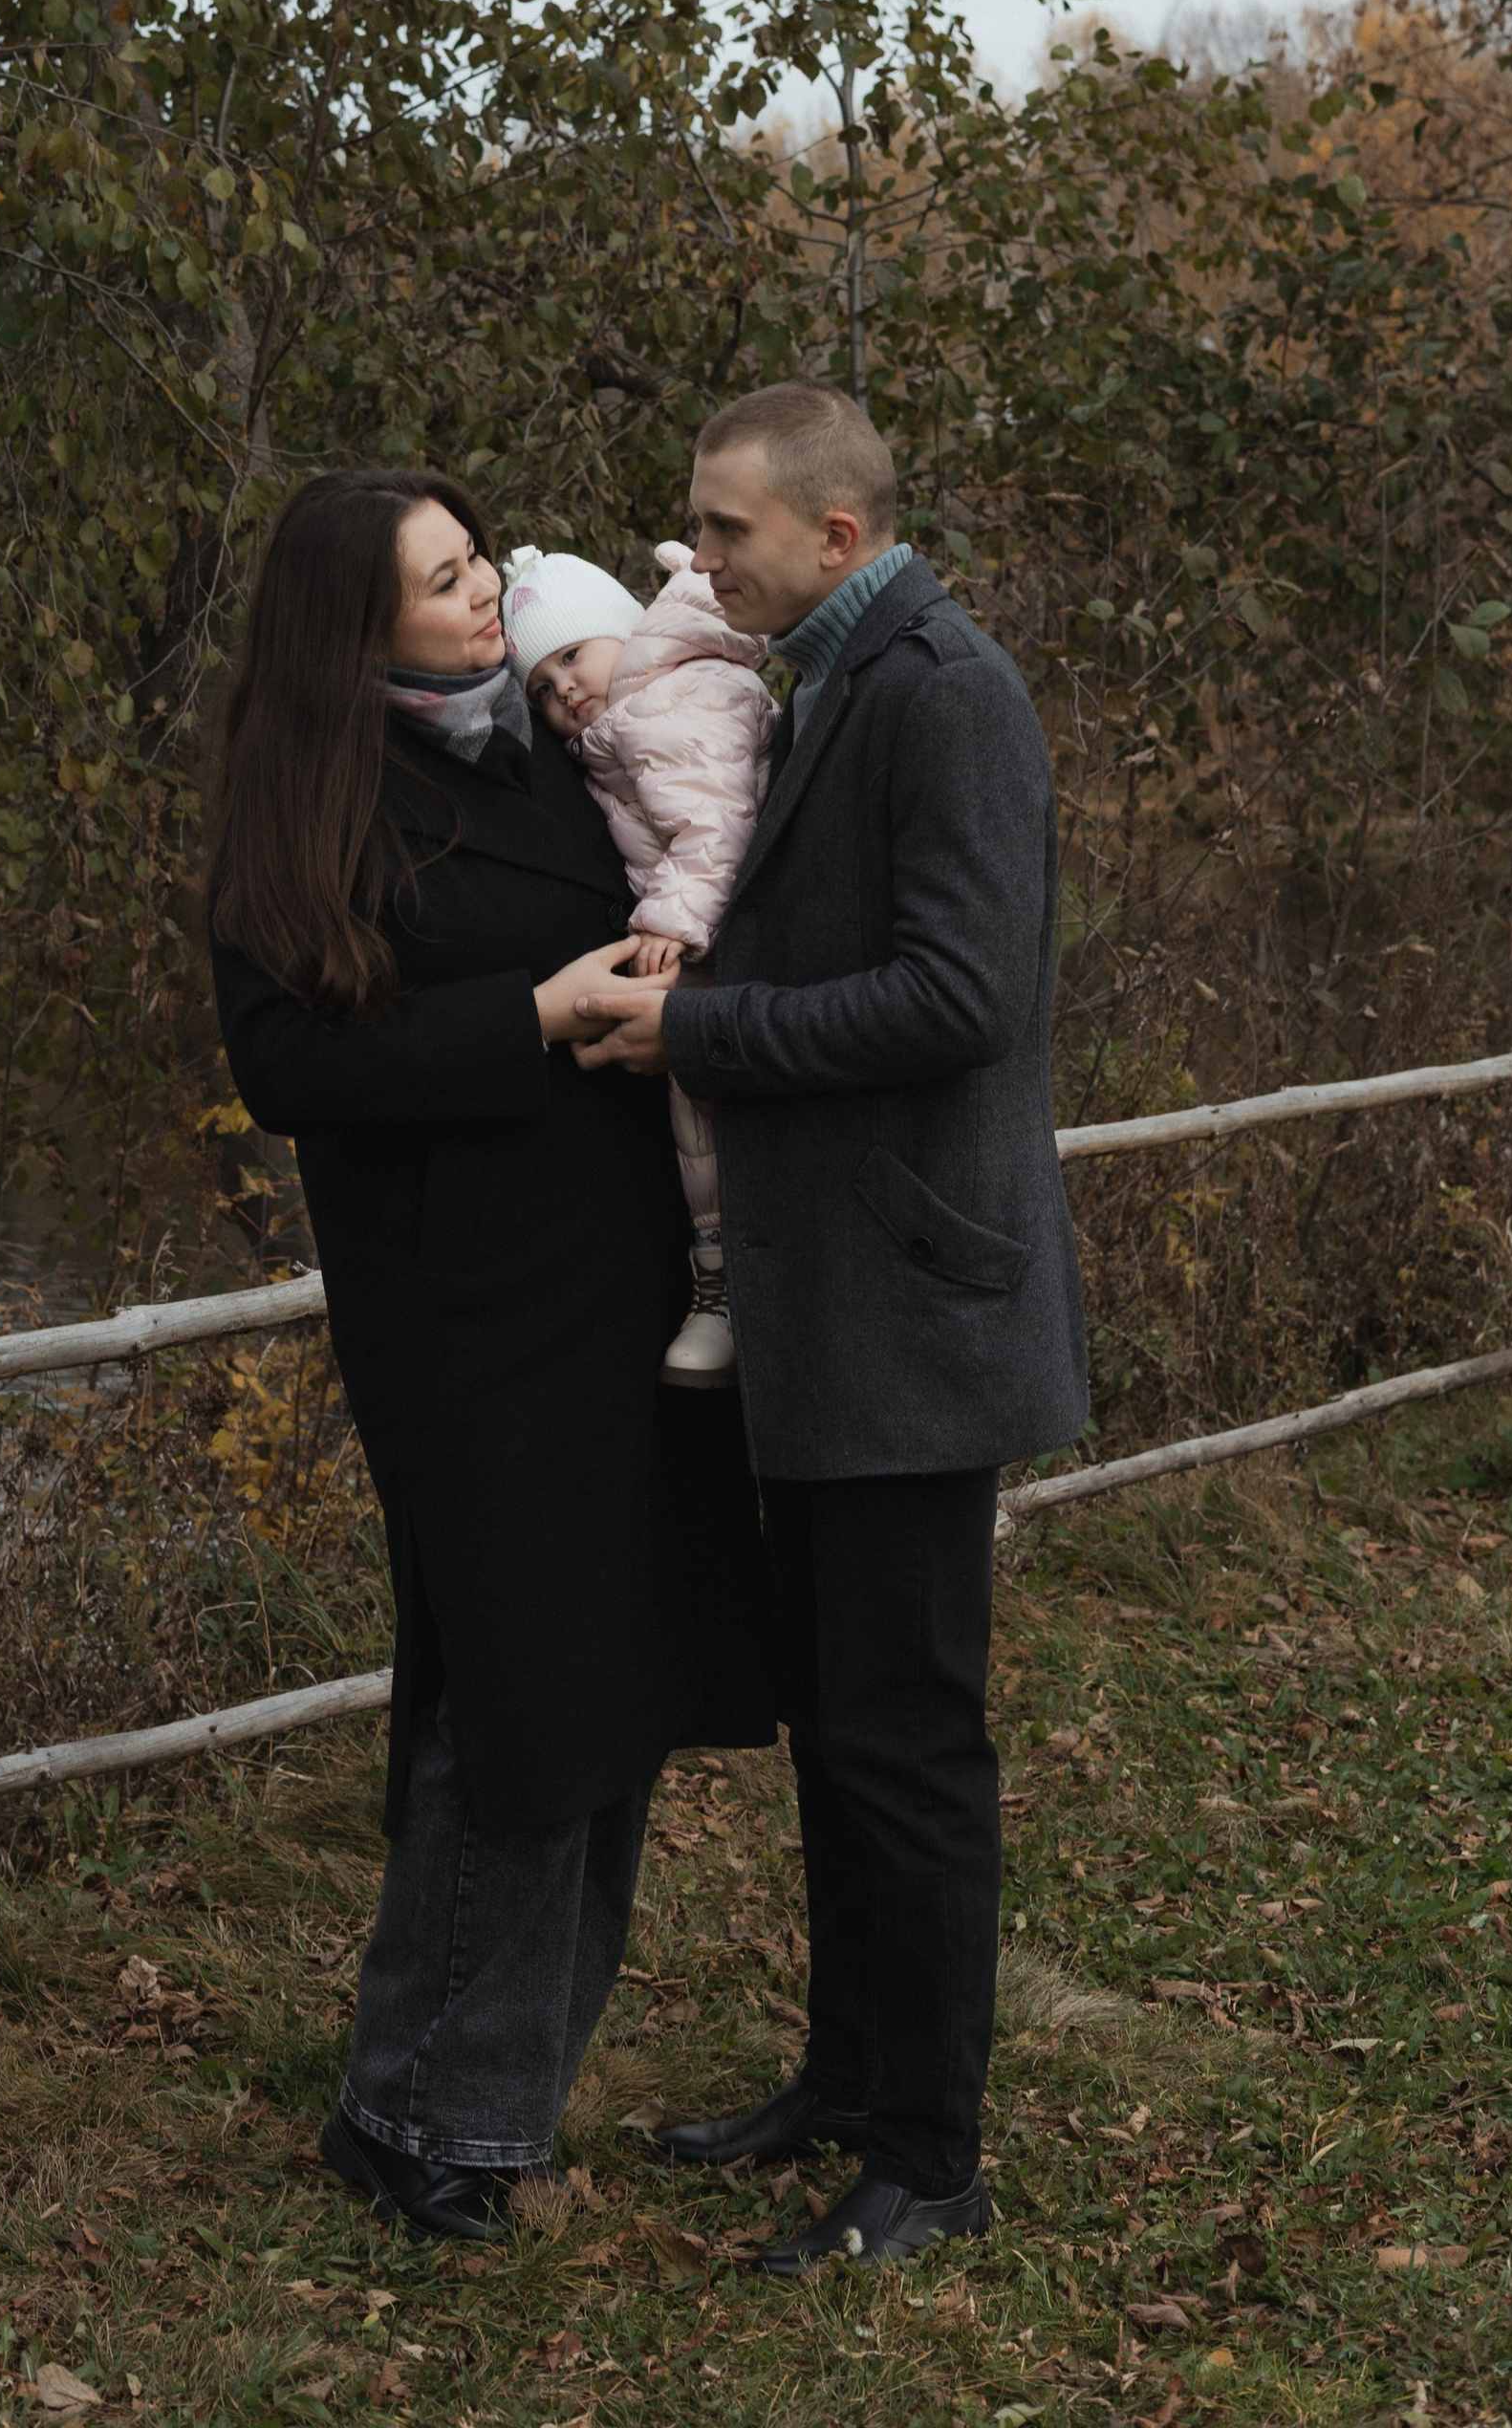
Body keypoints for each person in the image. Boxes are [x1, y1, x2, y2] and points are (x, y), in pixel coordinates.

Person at [205, 469, 773, 2244]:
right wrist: (526, 1017)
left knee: (608, 1693)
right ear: (351, 625)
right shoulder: (312, 797)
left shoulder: (555, 731)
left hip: (624, 1288)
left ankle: (488, 2108)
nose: (483, 595)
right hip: (467, 1314)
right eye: (444, 580)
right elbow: (290, 1068)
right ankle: (416, 2117)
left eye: (477, 562)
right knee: (518, 1699)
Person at [572, 381, 1090, 2276]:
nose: (699, 559)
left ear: (834, 536)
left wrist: (696, 1033)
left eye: (724, 529)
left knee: (905, 1741)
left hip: (910, 1312)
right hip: (838, 1306)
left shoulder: (942, 693)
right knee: (847, 1728)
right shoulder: (826, 676)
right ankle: (854, 2083)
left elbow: (960, 997)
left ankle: (930, 2160)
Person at [501, 540, 776, 1388]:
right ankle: (727, 1284)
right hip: (718, 943)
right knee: (700, 1115)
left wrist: (667, 919)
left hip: (721, 939)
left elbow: (718, 824)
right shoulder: (627, 720)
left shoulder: (667, 704)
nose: (562, 690)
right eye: (540, 688)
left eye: (572, 655)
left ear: (623, 629)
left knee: (707, 1108)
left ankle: (728, 1289)